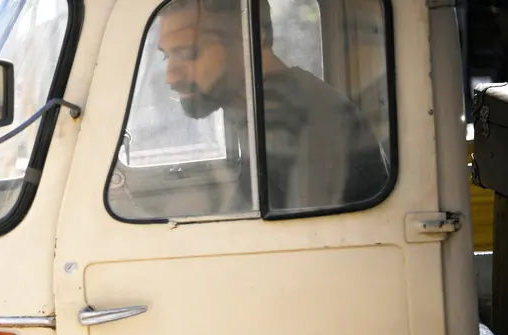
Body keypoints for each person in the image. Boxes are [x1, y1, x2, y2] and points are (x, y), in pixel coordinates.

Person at [157, 0, 389, 213]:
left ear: (249, 37)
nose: (170, 76)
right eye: (167, 56)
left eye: (187, 53)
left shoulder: (293, 119)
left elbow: (301, 246)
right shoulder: (264, 108)